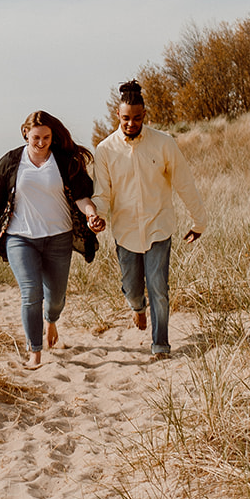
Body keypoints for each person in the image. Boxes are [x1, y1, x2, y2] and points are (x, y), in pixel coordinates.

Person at [0, 110, 107, 369]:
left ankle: (51, 321)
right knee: (31, 292)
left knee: (55, 299)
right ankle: (35, 352)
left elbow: (81, 196)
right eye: (35, 138)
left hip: (58, 237)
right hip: (20, 238)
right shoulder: (11, 161)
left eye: (46, 137)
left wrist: (91, 214)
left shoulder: (64, 161)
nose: (41, 143)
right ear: (25, 134)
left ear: (52, 137)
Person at [92, 80, 208, 360]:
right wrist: (96, 216)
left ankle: (160, 344)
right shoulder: (106, 150)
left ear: (145, 114)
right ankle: (137, 307)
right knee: (132, 288)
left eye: (137, 117)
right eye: (126, 118)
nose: (131, 123)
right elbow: (101, 193)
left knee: (159, 286)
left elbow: (184, 183)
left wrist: (199, 221)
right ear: (117, 116)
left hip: (159, 227)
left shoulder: (164, 143)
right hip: (126, 230)